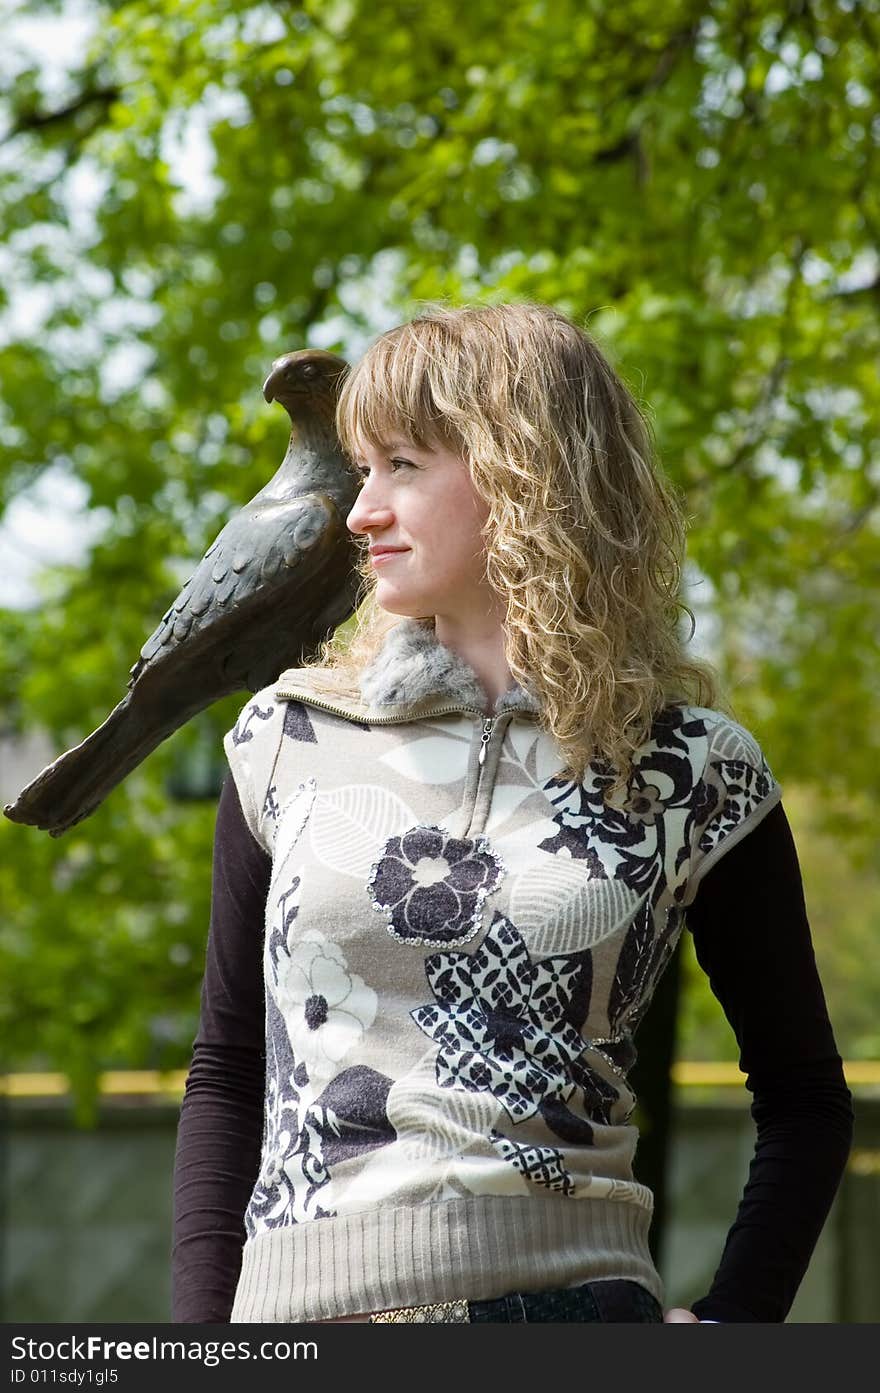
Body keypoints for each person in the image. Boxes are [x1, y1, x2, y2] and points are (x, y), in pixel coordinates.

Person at [171, 301, 853, 1324]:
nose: (359, 513)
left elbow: (804, 1102)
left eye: (400, 464)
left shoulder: (693, 769)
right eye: (361, 471)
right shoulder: (287, 737)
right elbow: (226, 1073)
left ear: (524, 474)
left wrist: (732, 1327)